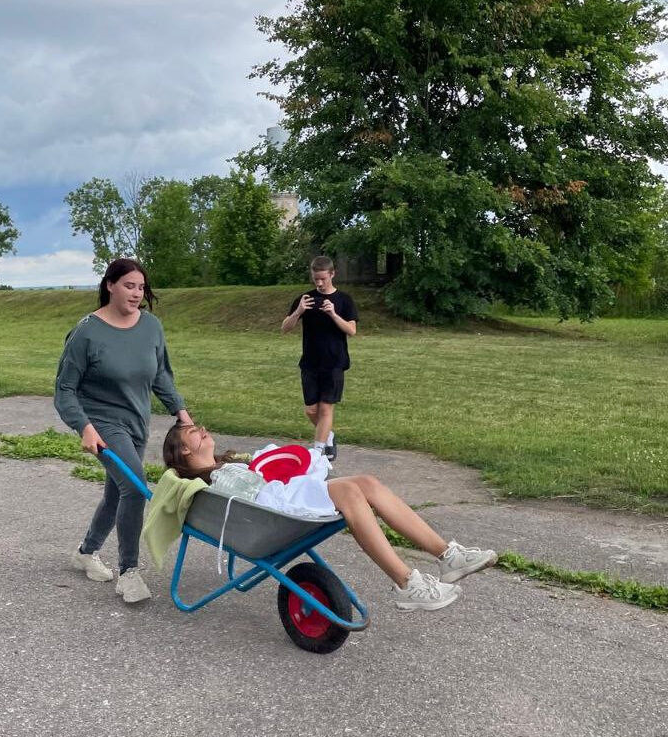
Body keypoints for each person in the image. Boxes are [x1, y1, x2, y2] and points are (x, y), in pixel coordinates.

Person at [162, 423, 498, 611]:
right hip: (273, 508)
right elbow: (250, 492)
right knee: (350, 492)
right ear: (184, 450)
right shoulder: (204, 480)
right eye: (193, 431)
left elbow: (267, 467)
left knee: (367, 482)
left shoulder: (230, 461)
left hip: (280, 503)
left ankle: (448, 556)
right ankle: (406, 583)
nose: (202, 428)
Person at [55, 258, 192, 603]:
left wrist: (180, 411)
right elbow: (65, 389)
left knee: (117, 492)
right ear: (110, 285)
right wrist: (84, 427)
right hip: (101, 423)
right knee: (134, 487)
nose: (136, 293)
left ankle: (86, 552)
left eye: (141, 287)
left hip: (136, 422)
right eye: (129, 286)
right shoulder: (87, 332)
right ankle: (129, 572)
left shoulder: (151, 326)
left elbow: (160, 374)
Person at [281, 256, 358, 462]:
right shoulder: (305, 299)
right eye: (316, 279)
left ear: (332, 274)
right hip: (310, 362)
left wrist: (333, 314)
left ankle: (317, 453)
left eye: (323, 278)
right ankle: (328, 436)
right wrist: (298, 311)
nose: (319, 283)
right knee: (310, 410)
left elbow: (352, 330)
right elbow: (285, 328)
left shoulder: (344, 300)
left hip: (334, 362)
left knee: (325, 409)